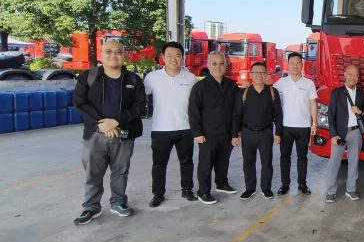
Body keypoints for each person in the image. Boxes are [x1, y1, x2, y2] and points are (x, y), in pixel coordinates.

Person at [72, 39, 146, 225]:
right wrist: (103, 124)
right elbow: (79, 103)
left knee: (120, 171)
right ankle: (91, 206)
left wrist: (116, 121)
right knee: (93, 173)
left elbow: (139, 105)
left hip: (123, 133)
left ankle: (118, 202)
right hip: (95, 134)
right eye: (109, 51)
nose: (114, 55)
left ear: (124, 55)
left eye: (118, 52)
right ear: (101, 54)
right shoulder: (88, 77)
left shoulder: (133, 79)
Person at [143, 41, 198, 207]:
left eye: (177, 55)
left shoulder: (190, 78)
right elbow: (140, 97)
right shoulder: (152, 78)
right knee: (159, 164)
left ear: (182, 57)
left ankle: (187, 190)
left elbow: (196, 103)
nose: (173, 59)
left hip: (185, 128)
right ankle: (158, 194)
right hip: (160, 129)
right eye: (169, 55)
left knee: (186, 162)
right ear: (162, 57)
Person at [188, 51, 239, 205]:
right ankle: (203, 191)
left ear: (226, 66)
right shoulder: (200, 87)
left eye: (221, 63)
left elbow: (236, 111)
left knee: (223, 160)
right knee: (206, 163)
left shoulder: (232, 85)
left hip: (227, 132)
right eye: (214, 63)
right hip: (207, 133)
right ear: (209, 65)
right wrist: (197, 132)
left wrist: (235, 133)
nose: (218, 67)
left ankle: (222, 183)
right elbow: (193, 111)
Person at [231, 62, 283, 200]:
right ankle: (250, 188)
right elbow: (236, 115)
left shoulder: (272, 92)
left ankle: (266, 188)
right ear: (251, 75)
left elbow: (278, 114)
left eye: (262, 72)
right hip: (247, 133)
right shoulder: (244, 92)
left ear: (266, 75)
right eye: (256, 72)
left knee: (267, 162)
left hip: (266, 133)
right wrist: (234, 135)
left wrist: (278, 133)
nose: (259, 75)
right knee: (248, 162)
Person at [273, 52, 318, 195]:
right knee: (284, 156)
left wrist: (314, 123)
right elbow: (270, 93)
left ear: (302, 65)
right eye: (292, 63)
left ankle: (302, 184)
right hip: (285, 127)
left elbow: (313, 104)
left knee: (302, 157)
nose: (295, 66)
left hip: (304, 127)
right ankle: (285, 184)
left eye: (298, 63)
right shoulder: (281, 83)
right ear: (288, 65)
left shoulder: (309, 83)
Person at [325, 65, 364, 203]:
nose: (352, 78)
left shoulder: (361, 93)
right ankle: (330, 191)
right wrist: (333, 134)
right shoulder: (336, 93)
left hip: (356, 132)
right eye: (350, 74)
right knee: (334, 163)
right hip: (339, 133)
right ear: (344, 75)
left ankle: (351, 190)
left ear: (358, 78)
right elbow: (330, 115)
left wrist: (360, 111)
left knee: (353, 163)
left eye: (355, 75)